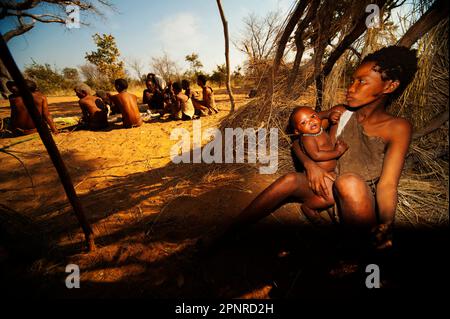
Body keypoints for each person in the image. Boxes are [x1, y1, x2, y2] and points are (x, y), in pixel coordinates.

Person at [204, 45, 418, 252]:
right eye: (352, 80)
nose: (351, 88)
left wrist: (387, 222)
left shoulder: (397, 127)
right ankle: (229, 232)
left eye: (361, 82)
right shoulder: (341, 113)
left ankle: (357, 258)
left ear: (389, 86)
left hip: (358, 203)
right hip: (325, 194)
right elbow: (299, 139)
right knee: (289, 180)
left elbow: (388, 185)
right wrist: (309, 166)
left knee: (349, 182)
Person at [288, 106, 348, 224]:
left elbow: (328, 142)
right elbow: (316, 155)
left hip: (329, 172)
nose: (311, 121)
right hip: (320, 175)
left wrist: (330, 116)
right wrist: (338, 152)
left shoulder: (320, 131)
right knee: (330, 198)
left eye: (313, 116)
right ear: (297, 131)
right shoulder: (307, 138)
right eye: (304, 122)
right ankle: (308, 207)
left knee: (339, 191)